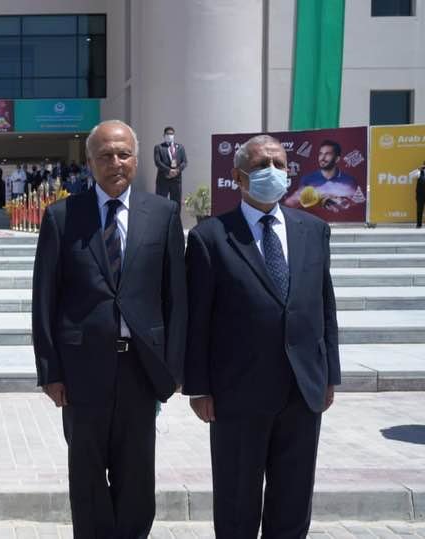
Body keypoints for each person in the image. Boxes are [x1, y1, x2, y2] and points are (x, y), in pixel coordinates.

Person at [32, 120, 186, 538]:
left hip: (141, 368)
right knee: (86, 476)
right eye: (105, 155)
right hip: (82, 370)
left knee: (137, 475)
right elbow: (45, 298)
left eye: (123, 154)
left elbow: (176, 296)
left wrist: (174, 369)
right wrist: (51, 371)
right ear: (89, 163)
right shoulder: (62, 216)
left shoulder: (163, 214)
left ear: (136, 159)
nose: (115, 162)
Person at [184, 134, 341, 538]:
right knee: (237, 503)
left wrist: (329, 375)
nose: (272, 171)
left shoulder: (313, 230)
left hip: (302, 389)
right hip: (237, 394)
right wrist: (199, 387)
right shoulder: (210, 237)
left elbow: (324, 305)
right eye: (260, 165)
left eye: (278, 164)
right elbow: (197, 319)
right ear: (238, 177)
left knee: (293, 502)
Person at [153, 126, 187, 207]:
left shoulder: (180, 147)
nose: (170, 136)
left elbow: (184, 162)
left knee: (176, 203)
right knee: (160, 203)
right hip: (163, 180)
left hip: (176, 180)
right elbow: (158, 162)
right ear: (164, 135)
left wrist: (177, 171)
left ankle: (176, 216)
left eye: (171, 134)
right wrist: (169, 171)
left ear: (174, 135)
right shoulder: (159, 147)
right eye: (168, 134)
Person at [413, 160, 425, 228]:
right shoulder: (419, 172)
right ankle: (419, 224)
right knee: (419, 209)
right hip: (420, 195)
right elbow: (410, 175)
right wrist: (418, 169)